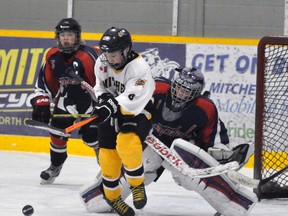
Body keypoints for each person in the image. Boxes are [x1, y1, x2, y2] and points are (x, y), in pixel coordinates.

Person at [80, 67, 256, 216]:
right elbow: (129, 102)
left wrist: (220, 156)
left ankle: (232, 201)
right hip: (150, 145)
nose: (180, 93)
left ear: (196, 94)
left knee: (189, 175)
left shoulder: (205, 109)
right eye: (179, 88)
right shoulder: (156, 88)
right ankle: (101, 194)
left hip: (179, 154)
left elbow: (212, 141)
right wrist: (113, 110)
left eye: (186, 91)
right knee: (140, 165)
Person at [90, 26, 155, 216]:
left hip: (138, 111)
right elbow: (99, 86)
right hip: (112, 109)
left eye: (115, 54)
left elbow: (133, 97)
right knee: (108, 158)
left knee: (127, 143)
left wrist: (109, 106)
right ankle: (113, 198)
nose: (110, 58)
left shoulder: (139, 68)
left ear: (126, 50)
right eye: (107, 54)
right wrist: (102, 100)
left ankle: (136, 184)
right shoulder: (101, 62)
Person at [30, 18, 99, 185]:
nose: (66, 38)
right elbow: (44, 83)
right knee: (57, 133)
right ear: (57, 37)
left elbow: (103, 83)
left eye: (70, 35)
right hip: (66, 101)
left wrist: (103, 104)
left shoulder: (89, 56)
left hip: (89, 102)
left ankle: (107, 166)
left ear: (77, 37)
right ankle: (55, 165)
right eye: (62, 35)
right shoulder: (52, 56)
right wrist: (41, 101)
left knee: (93, 137)